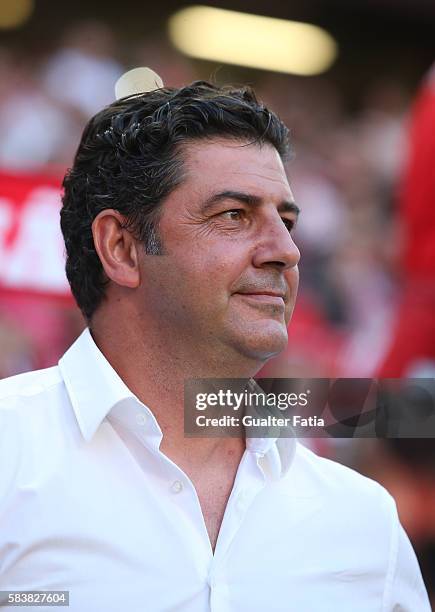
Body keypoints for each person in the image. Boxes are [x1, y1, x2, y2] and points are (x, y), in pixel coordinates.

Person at [0, 78, 430, 611]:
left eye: (287, 221)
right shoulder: (9, 452)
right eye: (234, 216)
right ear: (122, 248)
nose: (286, 251)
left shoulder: (366, 523)